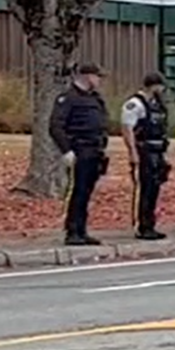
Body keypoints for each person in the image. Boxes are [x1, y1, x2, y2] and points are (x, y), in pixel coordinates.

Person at [49, 63, 110, 246]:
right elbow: (56, 126)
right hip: (79, 149)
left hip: (94, 150)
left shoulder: (95, 99)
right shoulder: (68, 98)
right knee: (78, 191)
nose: (99, 80)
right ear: (87, 76)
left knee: (86, 192)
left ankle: (82, 229)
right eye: (97, 76)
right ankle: (72, 230)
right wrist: (66, 150)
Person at [120, 72, 171, 241]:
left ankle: (150, 224)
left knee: (154, 188)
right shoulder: (135, 104)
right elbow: (127, 129)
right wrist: (133, 153)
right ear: (154, 86)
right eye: (161, 87)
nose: (162, 90)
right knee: (144, 189)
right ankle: (141, 226)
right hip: (144, 151)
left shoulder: (157, 104)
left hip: (157, 151)